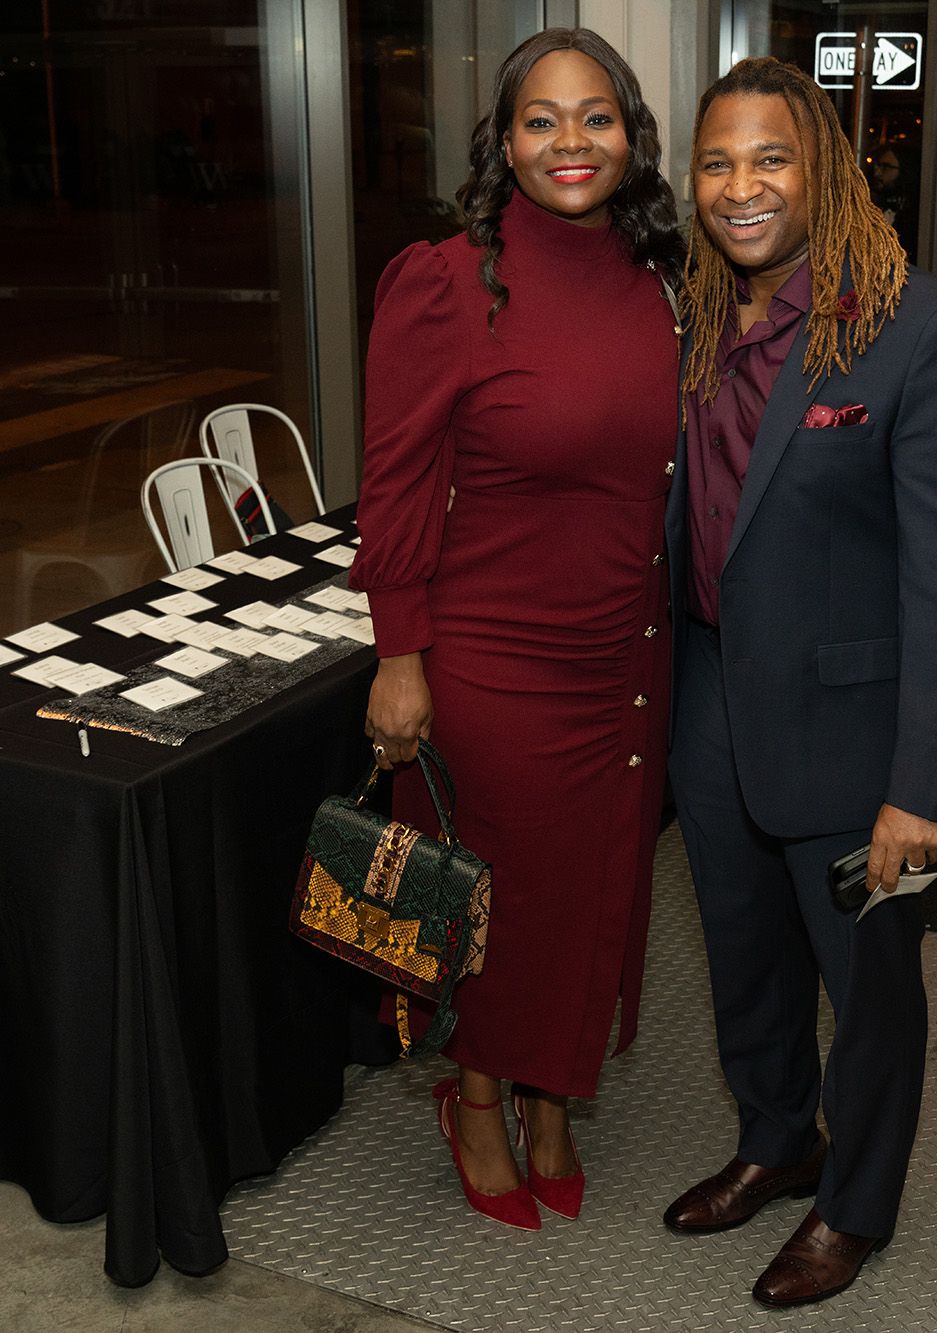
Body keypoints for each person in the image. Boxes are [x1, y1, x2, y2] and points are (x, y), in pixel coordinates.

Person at [660, 58, 937, 1306]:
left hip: (857, 734)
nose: (740, 186)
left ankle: (854, 1203)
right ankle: (776, 1139)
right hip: (712, 698)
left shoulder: (924, 330)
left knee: (866, 989)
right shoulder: (697, 321)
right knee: (741, 951)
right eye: (716, 162)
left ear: (823, 172)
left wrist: (921, 784)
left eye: (770, 158)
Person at [350, 27, 683, 1232]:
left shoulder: (662, 280)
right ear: (503, 141)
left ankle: (555, 1095)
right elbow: (393, 485)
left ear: (631, 136)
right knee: (496, 901)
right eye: (540, 120)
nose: (569, 142)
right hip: (494, 664)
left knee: (595, 890)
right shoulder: (446, 283)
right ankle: (479, 1099)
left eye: (595, 117)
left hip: (624, 661)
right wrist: (399, 656)